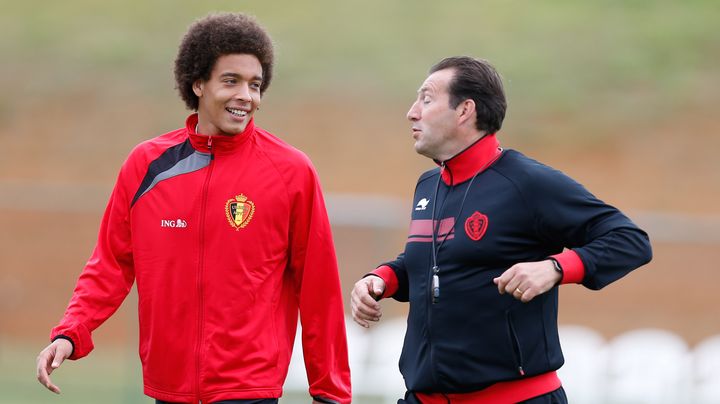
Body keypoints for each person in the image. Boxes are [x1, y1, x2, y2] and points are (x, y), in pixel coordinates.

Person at [35, 13, 351, 404]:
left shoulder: (291, 171)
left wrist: (331, 393)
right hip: (168, 387)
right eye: (231, 81)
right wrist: (71, 331)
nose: (245, 96)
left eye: (255, 85)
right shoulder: (146, 165)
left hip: (249, 389)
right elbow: (111, 263)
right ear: (198, 83)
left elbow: (319, 290)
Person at [350, 56, 652, 403]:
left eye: (427, 99)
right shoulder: (429, 184)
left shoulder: (528, 182)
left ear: (465, 110)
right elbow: (434, 263)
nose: (412, 112)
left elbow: (630, 240)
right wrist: (383, 279)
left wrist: (555, 268)